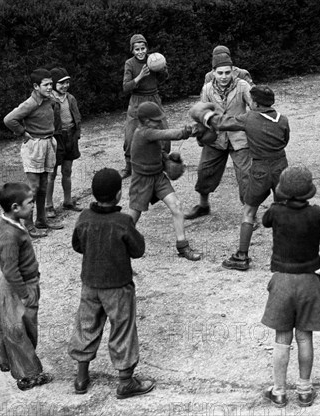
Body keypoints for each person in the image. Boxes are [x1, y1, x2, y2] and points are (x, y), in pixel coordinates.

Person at [69, 168, 156, 399]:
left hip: (90, 284)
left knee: (86, 325)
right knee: (122, 329)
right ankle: (126, 382)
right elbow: (138, 250)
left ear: (93, 194)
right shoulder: (123, 221)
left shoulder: (84, 218)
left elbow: (77, 245)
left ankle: (81, 378)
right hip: (118, 286)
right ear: (119, 195)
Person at [260, 166, 320, 408]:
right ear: (308, 191)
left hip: (282, 280)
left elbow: (264, 221)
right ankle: (304, 390)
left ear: (283, 191)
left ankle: (279, 391)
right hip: (309, 282)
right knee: (304, 337)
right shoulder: (316, 213)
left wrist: (280, 199)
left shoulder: (276, 212)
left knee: (282, 337)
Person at [190, 85, 289, 271]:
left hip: (260, 170)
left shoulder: (249, 118)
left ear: (256, 103)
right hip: (281, 169)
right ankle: (282, 258)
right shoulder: (283, 120)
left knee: (249, 211)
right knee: (283, 212)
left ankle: (241, 256)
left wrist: (203, 115)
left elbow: (220, 123)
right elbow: (285, 140)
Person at [0, 182, 53, 391]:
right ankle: (28, 375)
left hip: (16, 284)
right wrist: (25, 294)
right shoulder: (10, 235)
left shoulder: (13, 224)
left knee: (10, 326)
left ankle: (5, 359)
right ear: (15, 207)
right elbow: (10, 270)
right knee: (23, 331)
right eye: (29, 203)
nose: (33, 206)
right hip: (18, 286)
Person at [128, 101, 201, 261]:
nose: (160, 122)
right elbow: (168, 134)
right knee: (133, 215)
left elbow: (156, 149)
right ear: (146, 121)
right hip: (142, 180)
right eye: (156, 120)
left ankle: (182, 246)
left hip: (158, 176)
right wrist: (188, 131)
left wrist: (167, 158)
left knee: (176, 206)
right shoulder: (144, 132)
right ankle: (118, 244)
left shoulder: (150, 131)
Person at [185, 53, 253, 220]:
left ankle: (249, 214)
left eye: (227, 72)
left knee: (246, 175)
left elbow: (255, 109)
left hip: (239, 137)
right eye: (220, 73)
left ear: (233, 72)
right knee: (205, 171)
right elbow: (203, 113)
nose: (224, 76)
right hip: (216, 138)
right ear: (213, 72)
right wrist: (202, 135)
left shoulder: (243, 86)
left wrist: (254, 130)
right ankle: (203, 205)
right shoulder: (207, 89)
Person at [4, 68, 64, 238]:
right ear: (36, 86)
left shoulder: (49, 99)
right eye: (46, 85)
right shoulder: (30, 103)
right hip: (34, 146)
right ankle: (29, 225)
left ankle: (42, 220)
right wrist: (23, 132)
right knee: (33, 187)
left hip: (48, 142)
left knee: (44, 184)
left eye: (51, 84)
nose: (50, 87)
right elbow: (9, 119)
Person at [121, 34, 170, 179]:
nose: (141, 52)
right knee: (130, 135)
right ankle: (129, 166)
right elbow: (126, 87)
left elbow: (162, 79)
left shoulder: (153, 59)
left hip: (153, 99)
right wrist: (140, 75)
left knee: (164, 130)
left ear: (147, 48)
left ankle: (164, 161)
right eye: (137, 49)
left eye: (143, 48)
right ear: (132, 51)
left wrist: (162, 69)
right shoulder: (129, 64)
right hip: (137, 101)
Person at [46, 67, 83, 218]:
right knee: (51, 174)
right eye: (61, 83)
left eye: (67, 82)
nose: (65, 86)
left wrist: (77, 133)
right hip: (56, 138)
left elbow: (77, 116)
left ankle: (68, 201)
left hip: (71, 136)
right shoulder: (49, 101)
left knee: (67, 171)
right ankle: (48, 206)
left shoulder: (71, 98)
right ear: (54, 84)